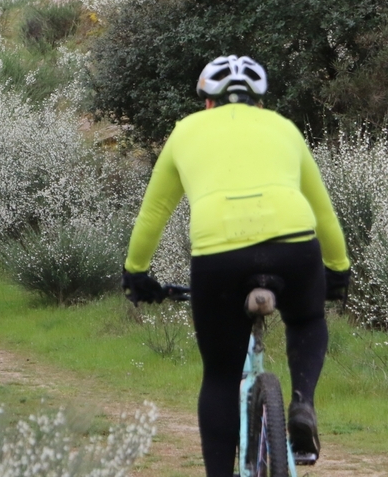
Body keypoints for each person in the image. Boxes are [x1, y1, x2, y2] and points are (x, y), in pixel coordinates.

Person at [122, 55, 351, 477]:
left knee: (222, 376)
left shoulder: (185, 131)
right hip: (293, 247)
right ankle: (302, 402)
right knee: (307, 319)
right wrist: (338, 270)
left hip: (219, 255)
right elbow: (324, 211)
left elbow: (153, 214)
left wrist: (136, 272)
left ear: (207, 102)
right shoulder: (284, 128)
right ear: (259, 102)